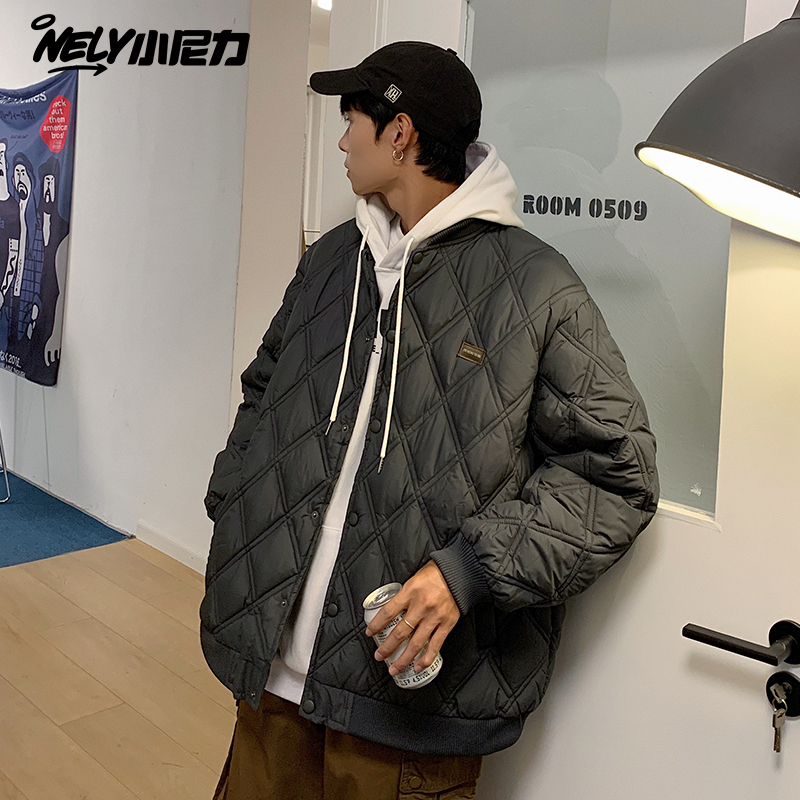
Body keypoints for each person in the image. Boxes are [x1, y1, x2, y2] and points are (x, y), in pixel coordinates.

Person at [201, 41, 659, 800]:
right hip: (272, 675)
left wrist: (469, 571)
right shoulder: (331, 261)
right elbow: (264, 390)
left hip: (406, 709)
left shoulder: (536, 286)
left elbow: (618, 476)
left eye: (351, 121)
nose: (342, 142)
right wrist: (232, 505)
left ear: (400, 133)